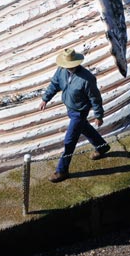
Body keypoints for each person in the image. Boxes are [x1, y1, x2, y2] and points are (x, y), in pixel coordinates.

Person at [39, 48, 111, 183]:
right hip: (70, 108)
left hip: (79, 112)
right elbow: (54, 84)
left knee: (69, 141)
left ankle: (62, 170)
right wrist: (45, 99)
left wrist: (99, 115)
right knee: (85, 129)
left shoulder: (87, 79)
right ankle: (102, 147)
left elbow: (95, 98)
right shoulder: (61, 71)